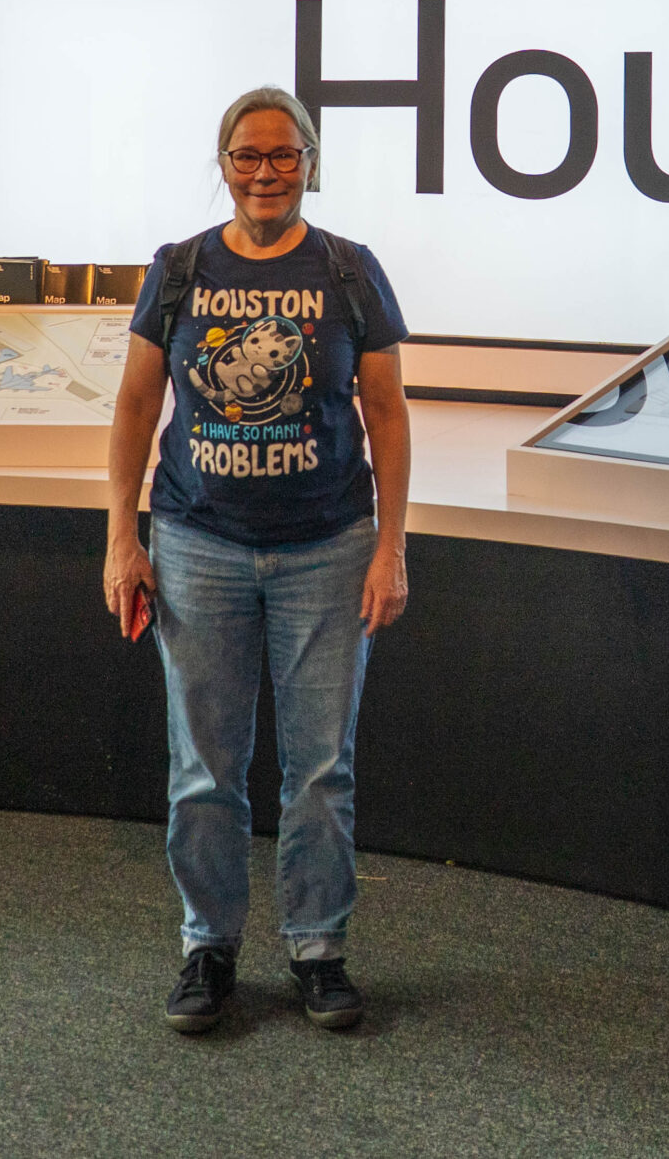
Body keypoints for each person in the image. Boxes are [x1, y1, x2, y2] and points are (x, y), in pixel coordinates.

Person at [102, 87, 412, 1036]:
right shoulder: (180, 269)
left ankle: (318, 949)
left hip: (328, 549)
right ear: (224, 163)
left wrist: (391, 547)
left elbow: (387, 413)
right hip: (198, 547)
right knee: (204, 769)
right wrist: (122, 537)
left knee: (321, 771)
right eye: (248, 156)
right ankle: (209, 946)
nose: (265, 173)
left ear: (310, 163)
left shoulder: (350, 271)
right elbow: (135, 406)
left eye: (283, 156)